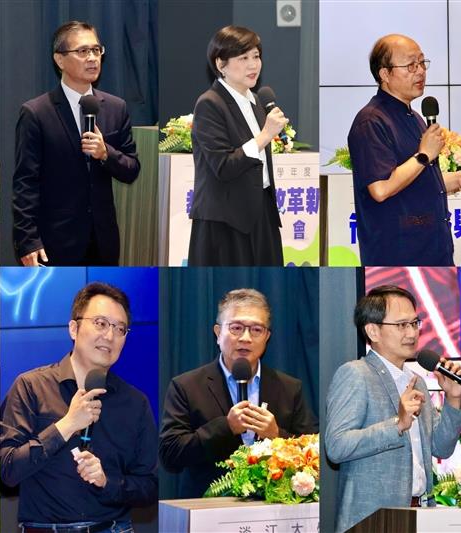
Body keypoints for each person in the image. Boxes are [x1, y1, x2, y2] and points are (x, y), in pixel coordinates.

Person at [0, 282, 157, 532]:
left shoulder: (135, 403)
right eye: (101, 323)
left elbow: (149, 486)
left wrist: (107, 482)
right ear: (74, 328)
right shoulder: (30, 387)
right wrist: (66, 425)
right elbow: (7, 469)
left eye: (120, 328)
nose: (110, 336)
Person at [325, 285, 461, 532]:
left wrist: (453, 399)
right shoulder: (355, 374)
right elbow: (336, 447)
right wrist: (397, 424)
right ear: (373, 330)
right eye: (401, 325)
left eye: (415, 323)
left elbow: (441, 447)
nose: (412, 333)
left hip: (419, 514)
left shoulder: (417, 381)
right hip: (372, 520)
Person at [159, 288, 317, 498]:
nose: (245, 338)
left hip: (272, 509)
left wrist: (277, 435)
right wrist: (226, 427)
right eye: (236, 328)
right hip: (208, 510)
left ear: (267, 337)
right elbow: (170, 456)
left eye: (256, 330)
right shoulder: (186, 386)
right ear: (218, 333)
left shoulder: (289, 387)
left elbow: (313, 451)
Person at [13, 21, 140, 267]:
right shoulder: (36, 112)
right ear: (60, 60)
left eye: (96, 50)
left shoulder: (116, 107)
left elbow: (132, 168)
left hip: (103, 240)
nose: (92, 58)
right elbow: (25, 183)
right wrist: (27, 240)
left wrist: (106, 154)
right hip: (55, 242)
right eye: (82, 52)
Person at [347, 34, 461, 266]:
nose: (419, 71)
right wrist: (424, 155)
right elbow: (381, 188)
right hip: (398, 253)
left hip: (434, 246)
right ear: (385, 74)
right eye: (410, 65)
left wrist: (457, 179)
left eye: (421, 63)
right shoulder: (371, 121)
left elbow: (416, 181)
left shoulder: (415, 117)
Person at [187, 26, 287, 266]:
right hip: (226, 221)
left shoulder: (257, 102)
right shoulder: (210, 104)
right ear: (221, 64)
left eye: (256, 56)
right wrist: (265, 136)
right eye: (243, 58)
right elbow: (222, 166)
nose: (253, 65)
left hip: (261, 211)